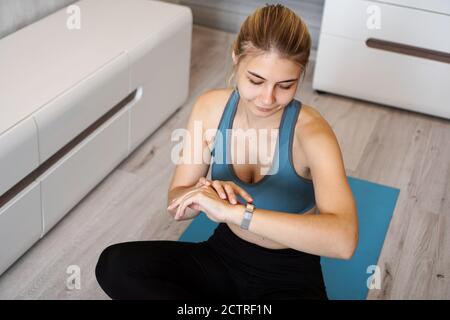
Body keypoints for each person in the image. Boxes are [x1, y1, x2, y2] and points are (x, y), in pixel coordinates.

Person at [95, 4, 358, 300]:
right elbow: (175, 202)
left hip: (290, 275)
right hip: (221, 257)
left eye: (285, 85)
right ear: (235, 58)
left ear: (300, 75)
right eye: (256, 81)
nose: (268, 98)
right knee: (115, 265)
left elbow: (343, 240)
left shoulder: (313, 133)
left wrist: (239, 213)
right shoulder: (210, 109)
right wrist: (203, 195)